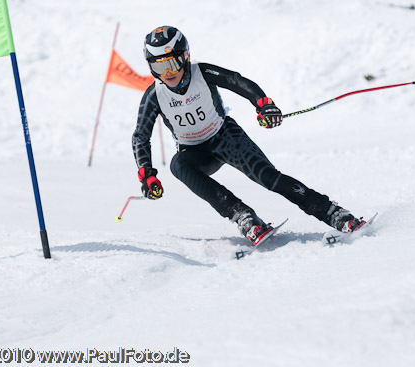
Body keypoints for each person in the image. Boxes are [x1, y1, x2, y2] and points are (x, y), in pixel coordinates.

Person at [132, 26, 365, 245]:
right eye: (159, 67)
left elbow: (235, 80)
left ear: (185, 57)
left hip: (225, 137)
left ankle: (332, 212)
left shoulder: (202, 72)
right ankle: (243, 217)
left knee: (268, 177)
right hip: (195, 153)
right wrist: (146, 175)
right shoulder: (155, 95)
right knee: (178, 165)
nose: (168, 73)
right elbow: (141, 136)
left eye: (172, 63)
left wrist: (263, 104)